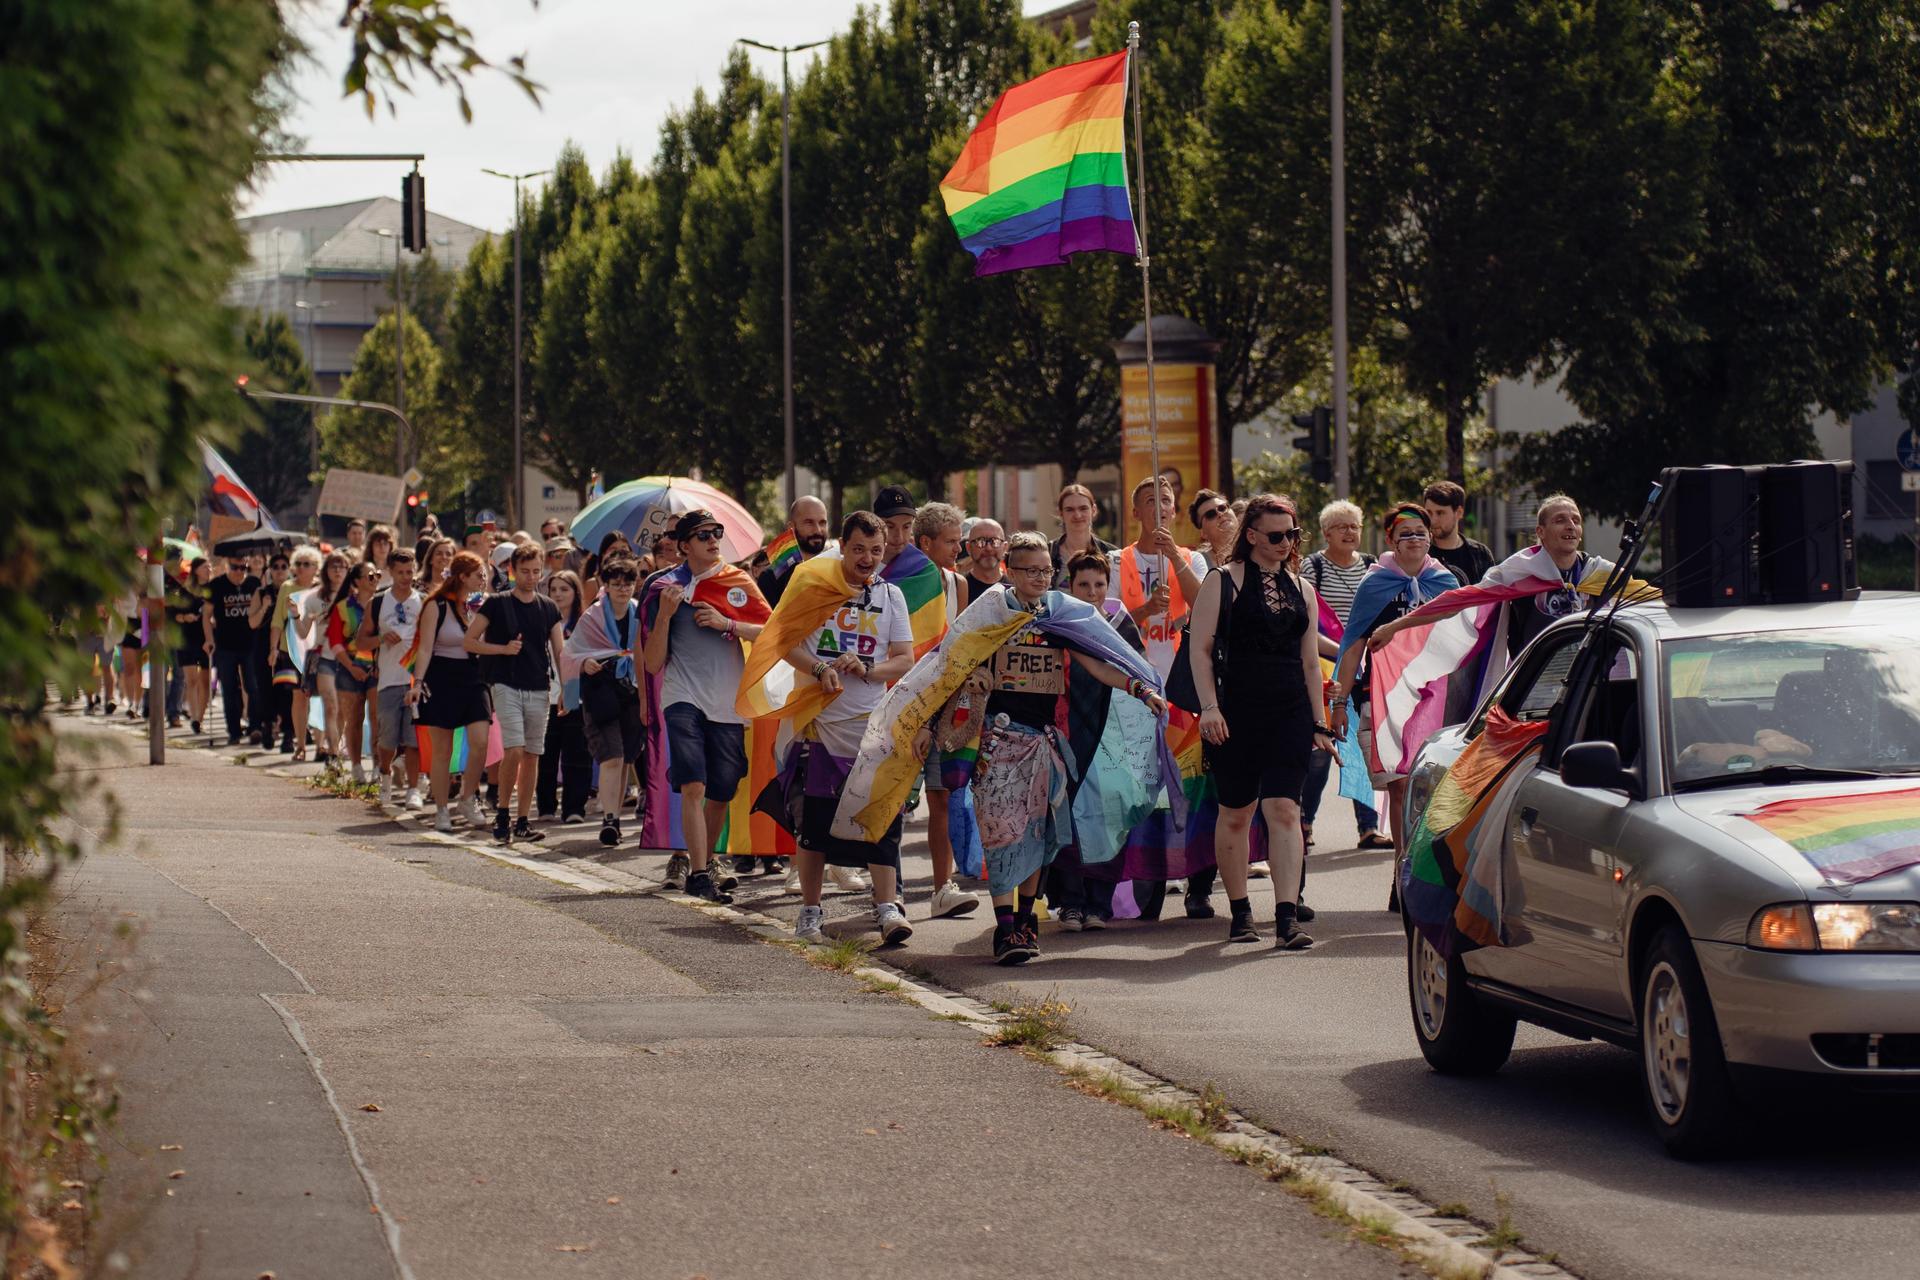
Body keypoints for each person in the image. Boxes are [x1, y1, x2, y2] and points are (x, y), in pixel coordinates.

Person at [887, 533, 1168, 964]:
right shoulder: (987, 615)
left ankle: (1025, 923)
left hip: (1043, 743)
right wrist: (936, 714)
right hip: (995, 742)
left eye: (1045, 570)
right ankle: (1004, 930)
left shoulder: (1061, 616)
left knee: (1037, 836)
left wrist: (1139, 687)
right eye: (1029, 570)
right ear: (1009, 572)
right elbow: (949, 668)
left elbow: (1097, 661)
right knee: (1001, 833)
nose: (1040, 577)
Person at [764, 513, 919, 946]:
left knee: (881, 818)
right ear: (842, 547)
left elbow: (904, 659)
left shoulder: (891, 597)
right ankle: (810, 913)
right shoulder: (814, 590)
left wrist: (868, 669)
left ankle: (887, 907)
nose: (867, 558)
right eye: (858, 549)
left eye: (875, 550)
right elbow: (783, 642)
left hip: (873, 726)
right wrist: (819, 668)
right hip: (820, 725)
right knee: (814, 823)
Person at [1189, 495, 1336, 948]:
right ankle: (1240, 912)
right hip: (1235, 713)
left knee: (1285, 810)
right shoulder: (1222, 580)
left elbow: (1311, 663)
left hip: (1289, 710)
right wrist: (1209, 707)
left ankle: (1287, 917)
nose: (1286, 543)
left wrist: (1319, 722)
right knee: (1236, 813)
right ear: (1251, 536)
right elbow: (1199, 649)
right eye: (1276, 535)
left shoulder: (1303, 588)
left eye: (1292, 534)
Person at [641, 509, 771, 902]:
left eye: (717, 532)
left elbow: (772, 632)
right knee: (693, 783)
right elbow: (651, 662)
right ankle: (698, 874)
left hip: (727, 703)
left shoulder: (737, 581)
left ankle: (707, 861)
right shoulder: (662, 588)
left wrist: (727, 623)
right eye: (703, 535)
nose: (714, 539)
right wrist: (664, 616)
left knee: (722, 790)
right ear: (683, 546)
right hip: (682, 696)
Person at [1328, 505, 1460, 873]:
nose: (1414, 539)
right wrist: (1340, 702)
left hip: (1435, 699)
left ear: (1430, 538)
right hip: (1381, 698)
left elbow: (1468, 633)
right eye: (1405, 534)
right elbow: (1353, 644)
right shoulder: (1375, 584)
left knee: (1433, 787)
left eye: (1420, 532)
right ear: (1391, 540)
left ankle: (1427, 867)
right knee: (1399, 786)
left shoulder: (1447, 583)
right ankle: (1402, 871)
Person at [1044, 549, 1140, 930]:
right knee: (1065, 813)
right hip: (1067, 730)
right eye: (1084, 584)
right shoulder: (1057, 622)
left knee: (1106, 815)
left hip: (1110, 730)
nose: (1093, 591)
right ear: (1070, 585)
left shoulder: (1121, 623)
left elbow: (1138, 669)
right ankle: (1070, 901)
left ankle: (1100, 903)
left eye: (1099, 584)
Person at [1301, 501, 1387, 852]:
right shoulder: (1313, 566)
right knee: (1321, 749)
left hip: (1367, 669)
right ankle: (1304, 821)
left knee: (1363, 744)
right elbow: (1305, 621)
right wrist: (1344, 652)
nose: (1350, 532)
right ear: (1326, 533)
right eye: (1341, 527)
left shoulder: (1372, 566)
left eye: (1354, 526)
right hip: (1324, 666)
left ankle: (1368, 827)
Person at [908, 501, 980, 920]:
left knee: (941, 798)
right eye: (951, 542)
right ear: (925, 543)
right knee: (896, 799)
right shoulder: (899, 585)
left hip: (943, 704)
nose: (959, 548)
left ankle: (942, 887)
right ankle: (890, 892)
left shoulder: (959, 585)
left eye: (959, 540)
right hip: (902, 703)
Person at [468, 544, 565, 845]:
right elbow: (469, 642)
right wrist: (502, 649)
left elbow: (560, 651)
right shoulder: (496, 603)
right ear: (512, 570)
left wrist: (567, 689)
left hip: (539, 685)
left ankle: (523, 819)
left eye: (536, 571)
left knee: (533, 754)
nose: (531, 577)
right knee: (514, 749)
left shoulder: (548, 607)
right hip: (505, 683)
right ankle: (503, 812)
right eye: (525, 571)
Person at [565, 557, 647, 847]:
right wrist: (586, 661)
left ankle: (614, 817)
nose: (623, 589)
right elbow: (571, 652)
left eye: (628, 583)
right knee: (611, 756)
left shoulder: (640, 612)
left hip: (633, 690)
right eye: (616, 584)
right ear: (606, 586)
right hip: (601, 691)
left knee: (626, 757)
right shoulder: (593, 616)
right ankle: (610, 818)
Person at [411, 551, 492, 832]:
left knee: (481, 740)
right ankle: (442, 809)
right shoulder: (436, 605)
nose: (483, 579)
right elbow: (424, 647)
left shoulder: (482, 605)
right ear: (462, 577)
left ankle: (468, 798)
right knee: (442, 749)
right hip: (442, 675)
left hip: (473, 675)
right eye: (478, 574)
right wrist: (418, 682)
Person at [353, 548, 425, 810]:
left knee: (413, 739)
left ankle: (413, 789)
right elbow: (360, 643)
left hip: (414, 680)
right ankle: (385, 777)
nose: (406, 577)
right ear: (390, 573)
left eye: (410, 571)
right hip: (387, 681)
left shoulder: (424, 601)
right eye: (400, 572)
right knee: (387, 740)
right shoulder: (379, 603)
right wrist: (382, 638)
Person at [1115, 476, 1200, 678]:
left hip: (1181, 678)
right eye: (1151, 501)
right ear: (1136, 513)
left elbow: (1203, 605)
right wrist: (1147, 609)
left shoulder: (1193, 559)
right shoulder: (1115, 562)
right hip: (1135, 676)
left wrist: (1174, 555)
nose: (1160, 506)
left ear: (1173, 511)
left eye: (1166, 500)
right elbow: (1110, 620)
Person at [536, 570, 593, 823]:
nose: (558, 594)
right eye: (554, 589)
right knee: (546, 753)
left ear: (575, 592)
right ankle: (546, 806)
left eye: (564, 589)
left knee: (576, 753)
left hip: (574, 692)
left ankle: (574, 808)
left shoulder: (585, 623)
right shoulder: (540, 619)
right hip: (545, 692)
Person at [327, 562, 381, 782]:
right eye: (370, 575)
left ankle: (379, 765)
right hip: (350, 667)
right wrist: (351, 668)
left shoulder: (382, 604)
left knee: (378, 718)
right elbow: (335, 642)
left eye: (378, 574)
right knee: (354, 718)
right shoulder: (342, 607)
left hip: (377, 667)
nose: (375, 578)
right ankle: (357, 766)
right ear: (357, 581)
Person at [269, 547, 321, 757]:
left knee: (318, 698)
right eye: (298, 564)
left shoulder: (322, 589)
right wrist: (273, 648)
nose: (301, 568)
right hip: (290, 650)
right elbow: (277, 621)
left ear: (316, 568)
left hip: (317, 650)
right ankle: (300, 744)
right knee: (298, 697)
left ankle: (321, 745)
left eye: (306, 564)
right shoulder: (287, 588)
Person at [205, 555, 260, 745]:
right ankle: (234, 731)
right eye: (235, 568)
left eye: (243, 568)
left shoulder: (254, 584)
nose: (239, 572)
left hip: (250, 644)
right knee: (229, 689)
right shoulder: (217, 585)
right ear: (228, 567)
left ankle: (255, 727)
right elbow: (206, 616)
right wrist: (209, 639)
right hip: (225, 645)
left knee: (253, 687)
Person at [302, 552, 351, 765]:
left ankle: (338, 744)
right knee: (330, 705)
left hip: (349, 658)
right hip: (325, 657)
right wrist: (297, 616)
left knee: (344, 709)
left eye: (342, 567)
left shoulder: (355, 597)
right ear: (326, 571)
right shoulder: (315, 598)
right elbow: (303, 632)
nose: (338, 571)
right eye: (333, 567)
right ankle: (332, 752)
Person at [757, 495, 831, 607]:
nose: (817, 530)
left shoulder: (839, 571)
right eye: (809, 523)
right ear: (791, 527)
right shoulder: (772, 578)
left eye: (822, 523)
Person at [247, 553, 287, 746]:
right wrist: (264, 607)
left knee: (286, 688)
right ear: (270, 570)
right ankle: (268, 726)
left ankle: (289, 729)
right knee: (264, 687)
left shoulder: (293, 591)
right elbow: (252, 623)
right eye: (276, 567)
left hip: (287, 645)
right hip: (263, 644)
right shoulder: (262, 592)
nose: (280, 570)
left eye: (283, 566)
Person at [1423, 480, 1494, 588]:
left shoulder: (1480, 554)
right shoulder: (1421, 553)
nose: (1433, 520)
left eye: (1440, 513)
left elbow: (1492, 598)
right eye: (1429, 512)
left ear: (1459, 513)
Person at [1048, 484, 1118, 589]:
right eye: (1070, 510)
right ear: (1061, 513)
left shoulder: (1111, 554)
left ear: (1093, 510)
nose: (1077, 515)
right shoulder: (1047, 553)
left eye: (1083, 508)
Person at [171, 558, 212, 735]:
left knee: (205, 681)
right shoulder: (184, 591)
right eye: (205, 567)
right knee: (192, 680)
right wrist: (185, 617)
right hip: (187, 638)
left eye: (209, 566)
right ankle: (195, 716)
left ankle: (200, 718)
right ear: (196, 570)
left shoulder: (213, 590)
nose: (208, 569)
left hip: (206, 639)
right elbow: (174, 615)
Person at [1187, 488, 1238, 573]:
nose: (1220, 514)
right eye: (1210, 514)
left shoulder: (1257, 548)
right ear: (1203, 533)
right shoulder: (1197, 564)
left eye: (1222, 508)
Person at [962, 518, 1007, 604]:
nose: (988, 548)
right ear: (968, 548)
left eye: (995, 541)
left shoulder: (1015, 591)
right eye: (980, 542)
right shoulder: (957, 589)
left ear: (1004, 547)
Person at [875, 485, 918, 568]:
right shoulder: (859, 566)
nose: (899, 537)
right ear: (875, 523)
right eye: (890, 527)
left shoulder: (922, 569)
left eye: (906, 527)